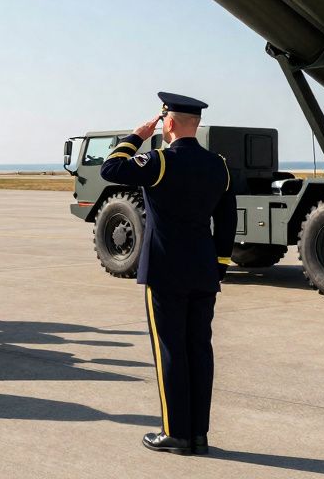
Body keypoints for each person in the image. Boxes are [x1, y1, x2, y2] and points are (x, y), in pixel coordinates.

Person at [100, 92, 237, 456]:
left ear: (169, 123)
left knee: (171, 350)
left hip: (165, 271)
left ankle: (175, 433)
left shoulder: (160, 161)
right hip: (204, 270)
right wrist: (220, 265)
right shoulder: (218, 165)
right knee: (199, 350)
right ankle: (198, 435)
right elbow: (227, 221)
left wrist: (136, 136)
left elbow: (110, 169)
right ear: (197, 124)